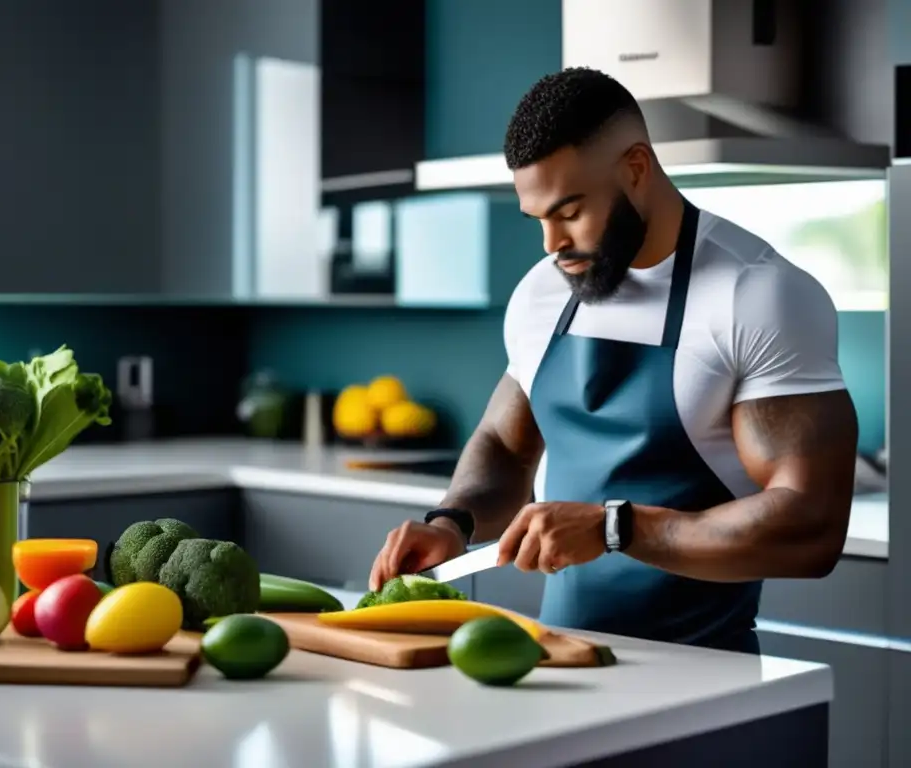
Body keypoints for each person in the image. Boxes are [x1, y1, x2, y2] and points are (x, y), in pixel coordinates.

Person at [367, 67, 859, 655]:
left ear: (636, 168)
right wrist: (453, 522)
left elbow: (812, 526)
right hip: (562, 661)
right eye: (540, 219)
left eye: (570, 210)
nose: (552, 244)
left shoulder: (754, 294)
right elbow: (503, 442)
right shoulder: (542, 292)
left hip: (704, 674)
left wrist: (614, 528)